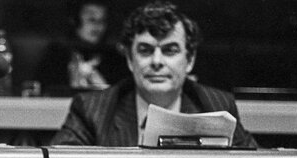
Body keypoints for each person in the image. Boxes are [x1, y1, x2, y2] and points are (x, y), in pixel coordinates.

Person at [51, 1, 256, 148]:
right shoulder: (91, 111)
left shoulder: (217, 105)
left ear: (190, 60)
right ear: (130, 60)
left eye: (170, 50)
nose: (157, 62)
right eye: (145, 50)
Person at [34, 1, 127, 95]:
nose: (97, 26)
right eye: (92, 19)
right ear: (75, 21)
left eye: (102, 20)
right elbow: (43, 91)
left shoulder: (115, 57)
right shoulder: (56, 55)